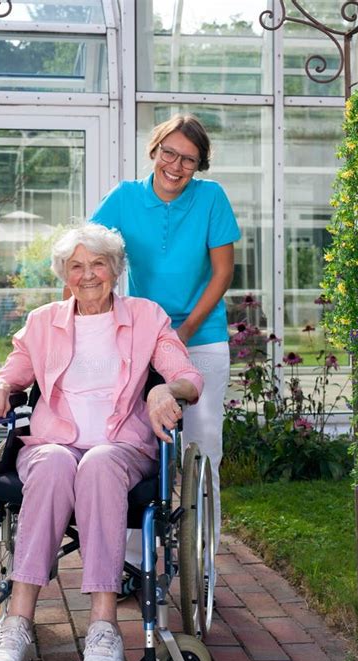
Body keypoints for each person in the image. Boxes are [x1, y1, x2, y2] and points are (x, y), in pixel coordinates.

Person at [0, 223, 204, 661]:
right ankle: (15, 626)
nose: (88, 275)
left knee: (98, 462)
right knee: (57, 461)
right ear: (65, 274)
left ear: (115, 270)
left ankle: (104, 629)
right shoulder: (42, 322)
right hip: (52, 447)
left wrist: (165, 389)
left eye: (97, 263)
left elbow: (187, 377)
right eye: (76, 266)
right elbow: (12, 375)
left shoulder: (145, 317)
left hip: (121, 448)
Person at [90, 113, 240, 562]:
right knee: (136, 443)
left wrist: (184, 331)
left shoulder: (211, 198)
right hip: (140, 338)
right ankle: (135, 560)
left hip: (202, 336)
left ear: (200, 165)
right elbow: (89, 255)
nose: (176, 166)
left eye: (189, 160)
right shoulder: (124, 198)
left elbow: (222, 272)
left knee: (203, 446)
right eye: (169, 153)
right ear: (154, 151)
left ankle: (201, 559)